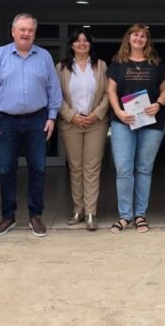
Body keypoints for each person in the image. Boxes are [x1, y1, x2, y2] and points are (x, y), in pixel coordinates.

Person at [0, 13, 62, 238]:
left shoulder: (44, 56)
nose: (26, 33)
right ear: (13, 31)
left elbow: (53, 90)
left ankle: (35, 215)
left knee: (38, 168)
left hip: (38, 119)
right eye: (22, 29)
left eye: (30, 30)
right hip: (6, 119)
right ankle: (8, 216)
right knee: (6, 169)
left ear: (34, 33)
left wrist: (52, 117)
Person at [106, 24, 165, 234]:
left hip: (151, 123)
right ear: (128, 38)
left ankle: (140, 214)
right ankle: (125, 215)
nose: (139, 38)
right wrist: (119, 112)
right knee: (124, 169)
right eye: (135, 34)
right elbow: (111, 91)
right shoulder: (118, 62)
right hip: (123, 122)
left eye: (143, 36)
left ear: (147, 41)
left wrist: (158, 104)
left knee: (144, 169)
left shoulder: (156, 63)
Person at [56, 28, 110, 231]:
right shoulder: (60, 68)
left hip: (96, 123)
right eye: (77, 41)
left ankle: (90, 213)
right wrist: (72, 116)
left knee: (92, 168)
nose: (81, 43)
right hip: (71, 123)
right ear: (71, 44)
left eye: (85, 40)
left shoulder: (101, 66)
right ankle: (77, 210)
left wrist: (96, 114)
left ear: (90, 44)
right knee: (76, 167)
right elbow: (56, 95)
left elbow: (107, 93)